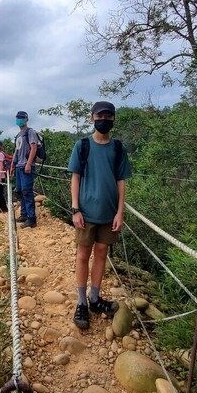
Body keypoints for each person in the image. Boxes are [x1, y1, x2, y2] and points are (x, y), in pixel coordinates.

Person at [67, 101, 132, 330]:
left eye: (108, 116)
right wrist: (75, 209)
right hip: (85, 212)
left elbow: (121, 180)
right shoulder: (82, 145)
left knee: (102, 253)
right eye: (100, 115)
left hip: (109, 212)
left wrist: (120, 212)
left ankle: (95, 298)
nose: (104, 119)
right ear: (92, 117)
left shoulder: (117, 148)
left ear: (113, 119)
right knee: (83, 254)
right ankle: (82, 301)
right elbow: (75, 177)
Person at [13, 110, 38, 228]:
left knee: (27, 191)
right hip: (19, 166)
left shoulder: (30, 132)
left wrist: (28, 164)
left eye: (21, 118)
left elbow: (34, 148)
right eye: (18, 117)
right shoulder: (18, 135)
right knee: (20, 190)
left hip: (26, 166)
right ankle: (24, 214)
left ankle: (31, 218)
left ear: (26, 119)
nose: (19, 119)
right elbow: (16, 150)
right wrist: (13, 164)